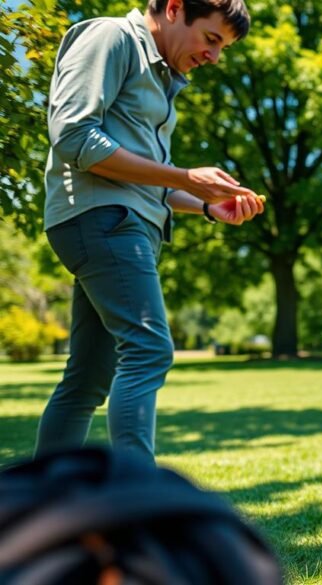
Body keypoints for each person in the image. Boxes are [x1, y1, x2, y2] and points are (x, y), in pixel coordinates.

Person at [37, 0, 262, 462]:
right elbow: (74, 136)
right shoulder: (112, 38)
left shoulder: (162, 78)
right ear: (175, 8)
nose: (215, 57)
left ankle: (34, 505)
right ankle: (138, 502)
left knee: (89, 376)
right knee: (149, 349)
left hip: (120, 221)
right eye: (212, 39)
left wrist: (206, 205)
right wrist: (182, 176)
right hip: (102, 220)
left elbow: (145, 182)